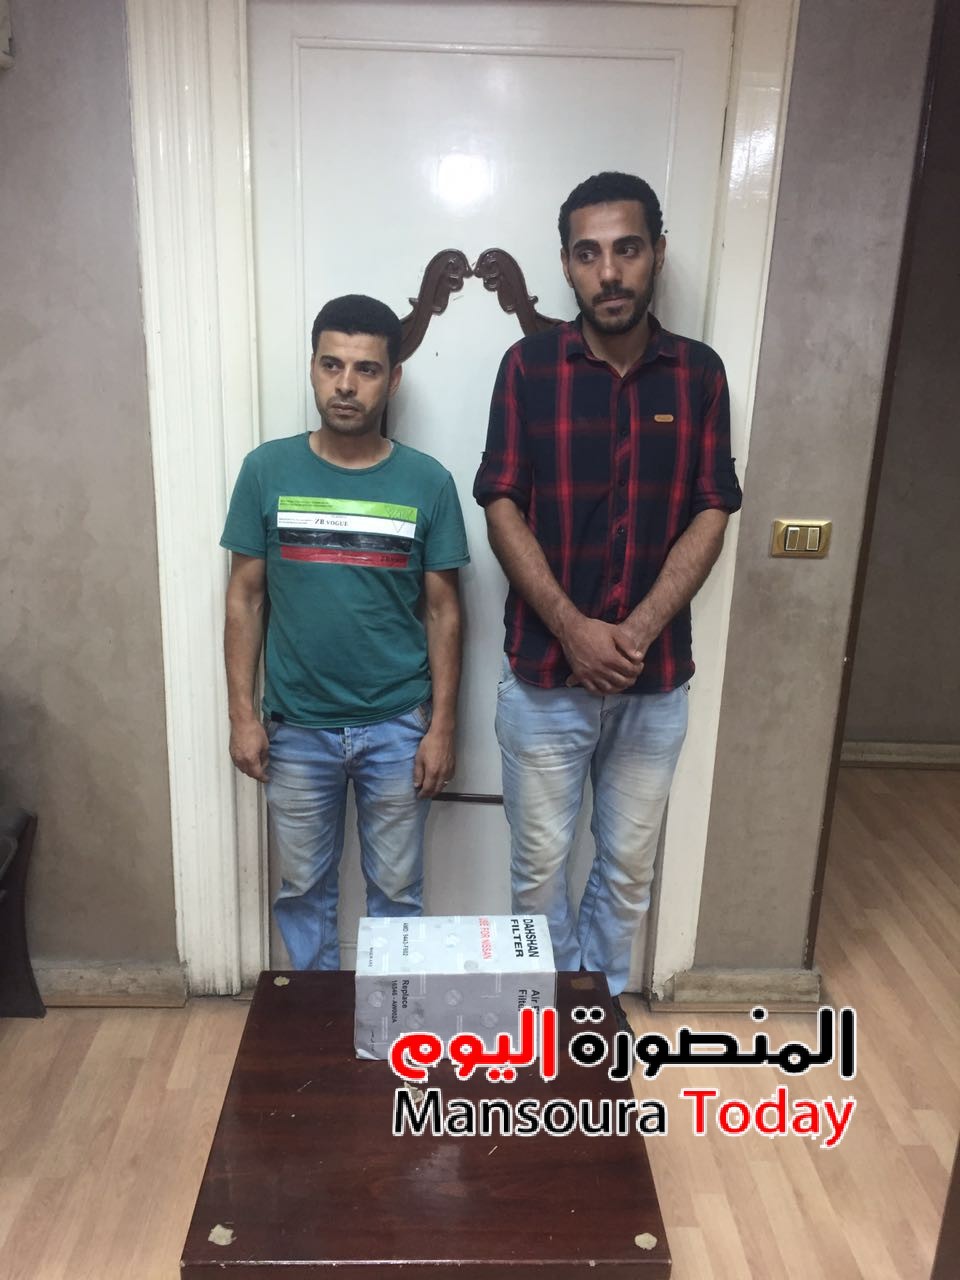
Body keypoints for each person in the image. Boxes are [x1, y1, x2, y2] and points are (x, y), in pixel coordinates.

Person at [474, 172, 742, 1023]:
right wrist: (572, 627)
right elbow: (501, 503)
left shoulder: (698, 375)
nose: (610, 272)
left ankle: (595, 1014)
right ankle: (545, 1015)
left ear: (656, 253)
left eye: (627, 249)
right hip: (544, 677)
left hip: (654, 682)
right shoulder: (528, 370)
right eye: (588, 254)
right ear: (566, 265)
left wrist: (635, 629)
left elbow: (713, 508)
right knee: (538, 870)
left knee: (627, 870)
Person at [222, 294, 469, 969]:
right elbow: (245, 598)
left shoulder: (427, 482)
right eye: (332, 365)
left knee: (397, 893)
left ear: (393, 379)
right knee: (304, 892)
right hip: (296, 728)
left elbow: (445, 611)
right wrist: (242, 716)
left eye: (366, 369)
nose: (346, 384)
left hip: (398, 725)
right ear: (312, 368)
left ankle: (392, 1017)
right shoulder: (266, 470)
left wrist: (443, 727)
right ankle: (317, 1018)